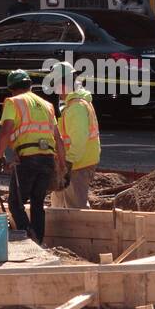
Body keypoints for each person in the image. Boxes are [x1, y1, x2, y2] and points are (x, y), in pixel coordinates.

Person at [0, 69, 63, 243]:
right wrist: (62, 165)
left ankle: (28, 237)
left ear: (11, 88)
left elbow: (5, 132)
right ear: (30, 85)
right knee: (37, 203)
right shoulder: (47, 105)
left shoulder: (13, 102)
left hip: (29, 159)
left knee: (16, 203)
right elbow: (58, 138)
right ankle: (38, 241)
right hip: (47, 158)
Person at [48, 61, 101, 209]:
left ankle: (84, 231)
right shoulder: (75, 104)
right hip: (75, 161)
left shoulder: (76, 107)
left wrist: (69, 163)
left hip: (78, 163)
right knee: (60, 198)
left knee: (75, 206)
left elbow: (78, 139)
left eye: (56, 85)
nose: (56, 91)